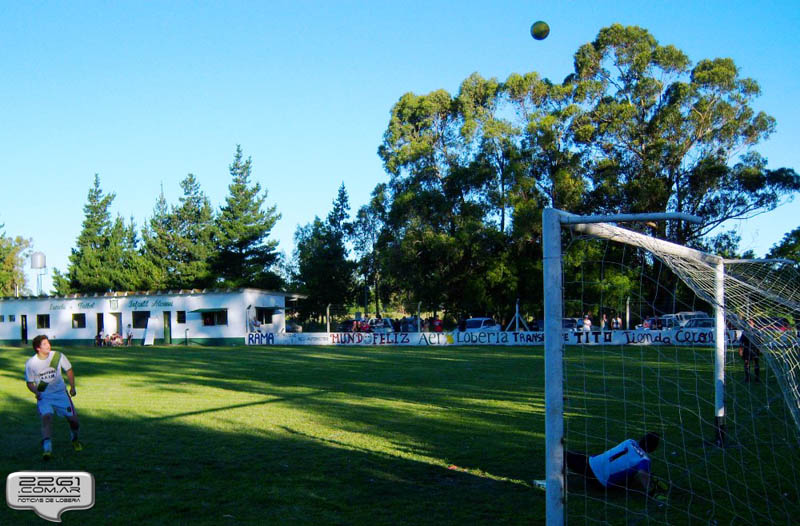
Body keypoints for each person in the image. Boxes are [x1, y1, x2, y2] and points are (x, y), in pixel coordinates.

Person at [24, 335, 82, 460]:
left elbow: (69, 370)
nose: (48, 345)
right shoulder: (31, 363)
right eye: (44, 344)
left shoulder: (58, 356)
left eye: (48, 343)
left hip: (61, 394)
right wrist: (36, 392)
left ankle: (74, 439)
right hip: (44, 396)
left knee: (74, 421)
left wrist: (72, 387)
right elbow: (29, 383)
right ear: (38, 348)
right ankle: (47, 448)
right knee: (46, 417)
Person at [566, 432, 665, 496]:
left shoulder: (630, 441)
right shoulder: (644, 460)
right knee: (634, 473)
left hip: (592, 464)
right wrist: (650, 490)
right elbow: (642, 473)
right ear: (653, 448)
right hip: (600, 481)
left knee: (564, 455)